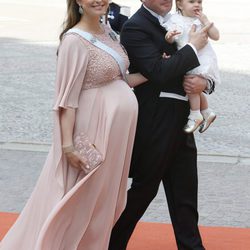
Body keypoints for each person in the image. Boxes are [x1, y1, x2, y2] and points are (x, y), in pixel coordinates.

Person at [0, 0, 146, 249]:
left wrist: (159, 70)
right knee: (80, 201)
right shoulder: (74, 41)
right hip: (92, 132)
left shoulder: (108, 32)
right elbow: (66, 101)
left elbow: (120, 79)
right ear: (78, 1)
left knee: (103, 202)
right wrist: (68, 147)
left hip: (115, 136)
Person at [108, 0, 216, 249]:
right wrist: (190, 48)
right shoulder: (136, 27)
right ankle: (110, 244)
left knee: (185, 196)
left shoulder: (183, 18)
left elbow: (205, 60)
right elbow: (158, 71)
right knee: (143, 192)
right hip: (155, 123)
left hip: (183, 120)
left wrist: (204, 85)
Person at [164, 0, 220, 133]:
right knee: (194, 88)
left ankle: (195, 114)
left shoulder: (200, 21)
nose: (197, 5)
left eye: (199, 2)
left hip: (202, 58)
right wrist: (169, 37)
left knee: (190, 85)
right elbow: (170, 38)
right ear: (179, 5)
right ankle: (206, 112)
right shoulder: (174, 19)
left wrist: (206, 21)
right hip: (187, 55)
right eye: (191, 1)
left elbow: (216, 36)